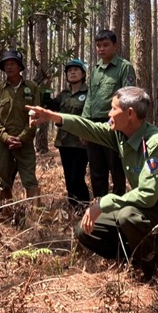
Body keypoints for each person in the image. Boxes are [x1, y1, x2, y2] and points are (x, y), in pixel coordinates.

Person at [27, 87, 158, 281]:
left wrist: (105, 202)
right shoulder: (119, 134)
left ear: (129, 114)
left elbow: (147, 195)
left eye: (113, 109)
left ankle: (156, 271)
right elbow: (89, 128)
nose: (108, 113)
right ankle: (137, 259)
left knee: (128, 216)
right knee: (86, 230)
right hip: (144, 210)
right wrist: (53, 117)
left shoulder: (155, 142)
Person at [81, 29, 136, 198]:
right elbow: (90, 97)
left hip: (114, 125)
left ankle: (118, 203)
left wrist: (122, 124)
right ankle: (100, 204)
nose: (101, 49)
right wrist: (84, 124)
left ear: (115, 46)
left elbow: (128, 97)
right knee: (97, 169)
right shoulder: (96, 69)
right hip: (94, 125)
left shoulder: (124, 67)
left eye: (105, 45)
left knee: (116, 168)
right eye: (98, 45)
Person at [0, 49, 40, 219]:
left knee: (30, 180)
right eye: (6, 64)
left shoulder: (32, 88)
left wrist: (22, 138)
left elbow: (36, 115)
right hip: (3, 143)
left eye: (13, 64)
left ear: (20, 66)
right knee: (3, 180)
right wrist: (4, 137)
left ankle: (36, 219)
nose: (9, 67)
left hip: (24, 143)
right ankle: (6, 217)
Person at [44, 58, 90, 210]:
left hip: (81, 143)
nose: (72, 72)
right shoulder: (64, 94)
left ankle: (84, 207)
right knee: (69, 180)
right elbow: (53, 106)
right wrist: (45, 87)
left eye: (76, 70)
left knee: (77, 177)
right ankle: (74, 207)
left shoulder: (89, 93)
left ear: (83, 74)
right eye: (69, 71)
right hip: (64, 142)